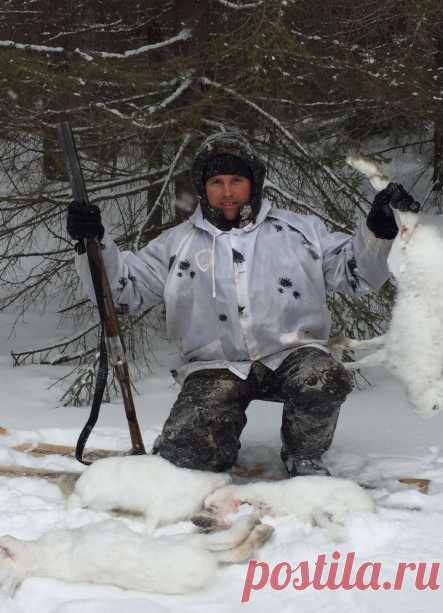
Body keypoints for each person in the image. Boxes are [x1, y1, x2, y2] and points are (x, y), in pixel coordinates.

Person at [67, 132, 419, 477]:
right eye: (217, 181)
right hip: (215, 366)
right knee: (188, 461)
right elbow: (121, 294)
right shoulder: (176, 244)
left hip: (292, 355)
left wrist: (379, 231)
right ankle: (206, 451)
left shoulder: (300, 232)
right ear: (203, 187)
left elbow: (355, 274)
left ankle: (304, 456)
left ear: (254, 183)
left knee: (322, 378)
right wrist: (92, 244)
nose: (228, 192)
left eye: (237, 180)